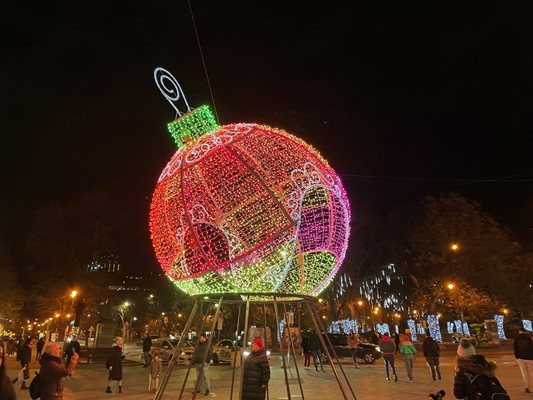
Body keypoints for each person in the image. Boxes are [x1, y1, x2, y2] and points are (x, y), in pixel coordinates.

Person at [514, 327, 533, 393]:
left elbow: (515, 349)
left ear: (519, 331)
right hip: (530, 358)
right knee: (531, 373)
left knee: (524, 373)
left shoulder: (517, 338)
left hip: (521, 358)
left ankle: (526, 387)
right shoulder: (529, 338)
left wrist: (517, 357)